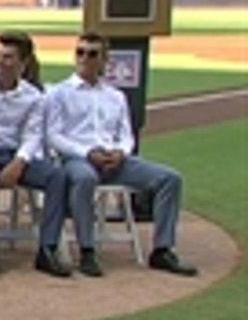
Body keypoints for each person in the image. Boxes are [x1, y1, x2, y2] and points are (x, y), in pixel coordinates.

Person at [45, 32, 197, 277]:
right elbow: (53, 135)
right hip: (77, 159)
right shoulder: (59, 93)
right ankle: (87, 250)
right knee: (85, 179)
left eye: (92, 54)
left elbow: (126, 135)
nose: (84, 58)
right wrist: (87, 152)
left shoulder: (115, 96)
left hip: (114, 160)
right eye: (80, 52)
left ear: (104, 59)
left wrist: (120, 152)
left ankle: (162, 249)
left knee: (170, 178)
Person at [0, 32, 69, 279]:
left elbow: (33, 134)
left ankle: (47, 248)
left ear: (23, 63)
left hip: (14, 155)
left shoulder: (33, 97)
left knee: (57, 177)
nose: (1, 62)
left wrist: (18, 162)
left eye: (8, 57)